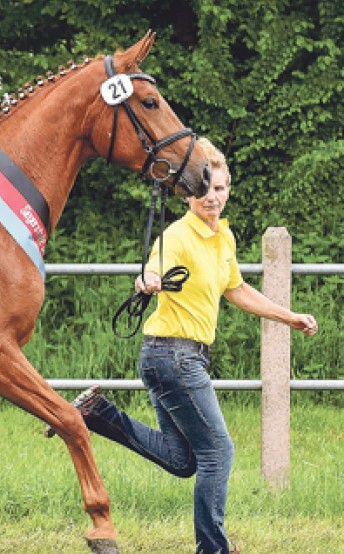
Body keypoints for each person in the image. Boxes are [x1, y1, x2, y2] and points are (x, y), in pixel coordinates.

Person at [61, 137, 318, 554]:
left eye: (219, 188)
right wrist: (148, 280)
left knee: (185, 462)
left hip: (175, 358)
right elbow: (153, 268)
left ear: (229, 189)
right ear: (189, 191)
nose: (211, 197)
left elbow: (237, 290)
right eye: (203, 188)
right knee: (219, 452)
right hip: (174, 355)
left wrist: (289, 317)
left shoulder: (224, 240)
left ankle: (98, 413)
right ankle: (213, 548)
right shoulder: (177, 235)